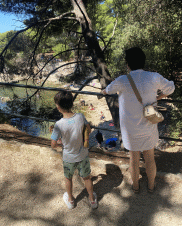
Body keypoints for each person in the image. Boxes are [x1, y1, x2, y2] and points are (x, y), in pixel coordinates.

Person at [102, 47, 175, 193]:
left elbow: (107, 90)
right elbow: (170, 88)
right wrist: (157, 98)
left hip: (130, 130)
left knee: (133, 160)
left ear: (127, 63)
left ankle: (135, 187)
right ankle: (151, 186)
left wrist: (103, 90)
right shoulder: (154, 77)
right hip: (149, 126)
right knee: (150, 158)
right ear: (143, 61)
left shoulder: (122, 80)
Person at [51, 91, 98, 209]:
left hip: (68, 157)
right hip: (83, 154)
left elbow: (53, 144)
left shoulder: (58, 124)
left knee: (68, 178)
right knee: (87, 178)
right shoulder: (80, 116)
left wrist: (60, 142)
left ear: (58, 107)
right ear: (72, 104)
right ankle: (92, 200)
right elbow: (88, 129)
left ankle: (71, 200)